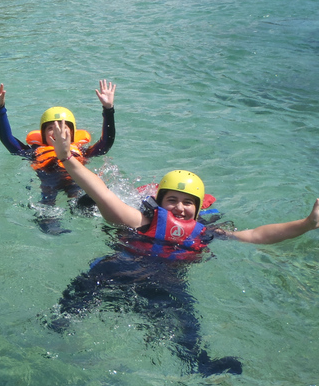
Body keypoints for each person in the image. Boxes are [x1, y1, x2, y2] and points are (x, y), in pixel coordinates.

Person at [44, 120, 319, 376]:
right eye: (172, 200)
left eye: (188, 202)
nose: (179, 207)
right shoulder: (140, 221)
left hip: (165, 284)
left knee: (187, 322)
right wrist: (68, 158)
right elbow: (101, 192)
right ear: (159, 203)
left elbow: (257, 235)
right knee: (81, 290)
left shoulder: (205, 234)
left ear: (198, 209)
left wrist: (306, 224)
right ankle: (53, 330)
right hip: (119, 269)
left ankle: (199, 363)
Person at [0, 80, 116, 232]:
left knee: (87, 200)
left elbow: (106, 143)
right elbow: (7, 140)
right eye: (51, 128)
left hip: (75, 182)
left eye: (63, 127)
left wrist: (108, 109)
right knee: (47, 213)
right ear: (43, 135)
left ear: (73, 134)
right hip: (49, 185)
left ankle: (89, 209)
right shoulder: (34, 153)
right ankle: (49, 223)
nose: (57, 131)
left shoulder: (83, 152)